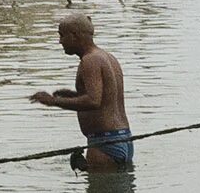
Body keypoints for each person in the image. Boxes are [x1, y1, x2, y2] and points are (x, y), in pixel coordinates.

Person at [31, 10, 132, 170]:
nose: (60, 41)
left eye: (62, 35)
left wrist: (53, 102)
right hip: (122, 137)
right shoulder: (107, 57)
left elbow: (93, 101)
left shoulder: (89, 61)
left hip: (104, 143)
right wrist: (73, 95)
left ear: (75, 35)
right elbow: (106, 98)